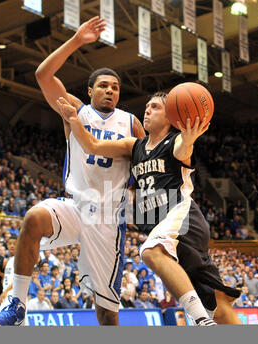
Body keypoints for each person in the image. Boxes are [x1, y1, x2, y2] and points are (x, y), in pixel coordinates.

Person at [0, 17, 145, 326]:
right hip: (76, 205)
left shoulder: (130, 122)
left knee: (106, 312)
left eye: (115, 87)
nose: (110, 90)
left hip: (108, 219)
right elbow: (43, 75)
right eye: (103, 86)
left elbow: (144, 168)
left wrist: (139, 197)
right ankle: (17, 306)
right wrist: (77, 40)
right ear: (90, 91)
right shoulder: (75, 111)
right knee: (33, 218)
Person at [56, 91, 243, 325]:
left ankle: (200, 321)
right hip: (166, 226)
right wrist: (73, 120)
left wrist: (189, 138)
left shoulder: (175, 141)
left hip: (182, 219)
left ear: (171, 115)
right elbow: (92, 145)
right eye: (147, 106)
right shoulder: (134, 146)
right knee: (217, 304)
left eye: (155, 107)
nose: (147, 110)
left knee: (150, 252)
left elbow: (183, 149)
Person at [0, 235, 17, 310]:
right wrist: (0, 274)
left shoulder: (18, 259)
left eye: (15, 243)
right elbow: (9, 277)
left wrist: (5, 291)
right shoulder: (9, 260)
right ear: (7, 245)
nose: (12, 246)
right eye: (10, 243)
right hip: (7, 294)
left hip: (13, 294)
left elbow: (17, 280)